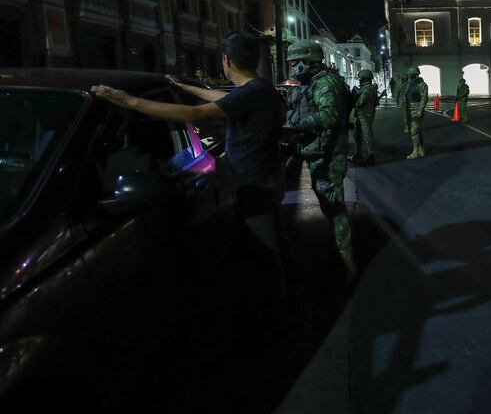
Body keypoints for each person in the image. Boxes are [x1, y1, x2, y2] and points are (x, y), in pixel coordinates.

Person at [91, 31, 288, 324]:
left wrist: (129, 102)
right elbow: (222, 98)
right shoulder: (260, 89)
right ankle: (273, 307)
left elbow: (193, 113)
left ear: (226, 61)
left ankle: (274, 318)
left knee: (265, 254)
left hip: (255, 186)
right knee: (261, 249)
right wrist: (189, 87)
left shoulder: (252, 93)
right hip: (262, 180)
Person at [285, 39, 357, 283]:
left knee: (334, 206)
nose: (293, 68)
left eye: (296, 63)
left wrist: (293, 125)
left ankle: (349, 265)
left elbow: (330, 114)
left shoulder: (324, 83)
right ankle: (341, 254)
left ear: (310, 62)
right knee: (329, 204)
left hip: (328, 153)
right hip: (317, 150)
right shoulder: (311, 84)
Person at [349, 69, 378, 164]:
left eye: (360, 78)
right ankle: (357, 153)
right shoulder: (369, 88)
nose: (359, 80)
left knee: (367, 134)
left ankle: (371, 155)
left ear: (364, 79)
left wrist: (354, 97)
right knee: (357, 135)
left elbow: (359, 102)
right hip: (361, 114)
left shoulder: (368, 89)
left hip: (365, 114)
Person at [404, 65, 429, 159]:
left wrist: (420, 110)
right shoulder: (409, 84)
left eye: (412, 75)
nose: (410, 77)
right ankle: (421, 149)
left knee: (414, 131)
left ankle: (415, 152)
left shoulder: (422, 85)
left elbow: (424, 98)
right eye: (410, 75)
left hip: (416, 110)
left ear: (416, 75)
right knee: (416, 131)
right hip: (409, 110)